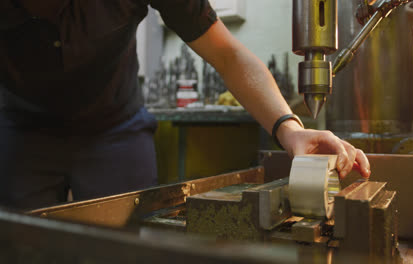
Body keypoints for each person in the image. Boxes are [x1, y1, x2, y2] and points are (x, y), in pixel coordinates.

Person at [0, 0, 370, 210]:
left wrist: (289, 129)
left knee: (129, 247)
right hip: (20, 129)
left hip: (114, 129)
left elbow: (228, 55)